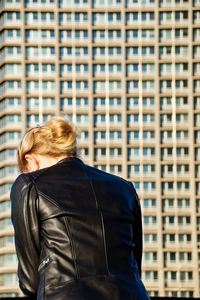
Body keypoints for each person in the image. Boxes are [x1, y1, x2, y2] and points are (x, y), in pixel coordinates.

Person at [11, 117, 150, 300]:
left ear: (31, 160)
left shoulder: (28, 184)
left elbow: (30, 282)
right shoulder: (125, 187)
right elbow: (134, 263)